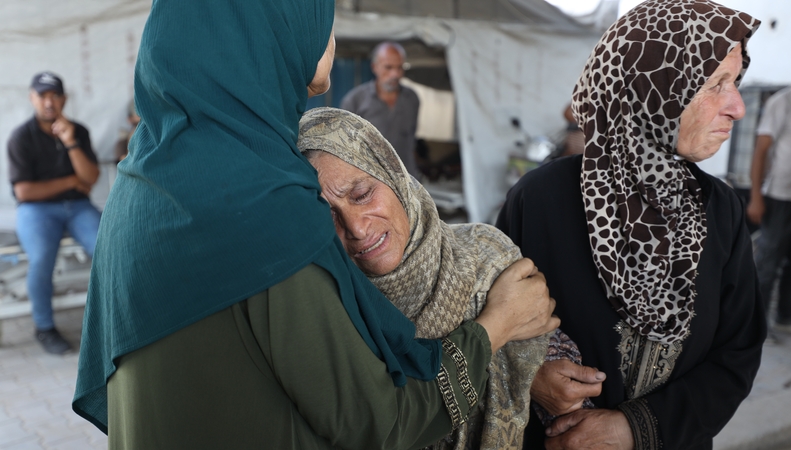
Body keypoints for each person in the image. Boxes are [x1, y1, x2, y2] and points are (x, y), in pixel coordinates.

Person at [72, 1, 557, 448]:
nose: (327, 33)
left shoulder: (139, 187)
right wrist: (496, 327)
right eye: (317, 14)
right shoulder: (260, 202)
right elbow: (378, 421)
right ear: (271, 25)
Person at [496, 1, 767, 449]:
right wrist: (530, 375)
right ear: (653, 87)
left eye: (735, 82)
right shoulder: (541, 199)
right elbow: (492, 325)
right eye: (716, 84)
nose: (736, 107)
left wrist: (632, 428)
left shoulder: (721, 210)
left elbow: (737, 354)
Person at [299, 107, 573, 449]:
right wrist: (498, 328)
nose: (356, 227)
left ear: (393, 175)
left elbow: (554, 358)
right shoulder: (316, 304)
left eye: (362, 195)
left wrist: (534, 374)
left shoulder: (486, 255)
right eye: (328, 216)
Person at [6, 71, 101, 355]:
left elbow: (92, 177)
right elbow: (24, 192)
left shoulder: (79, 130)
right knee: (42, 259)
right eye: (43, 95)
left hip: (78, 207)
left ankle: (114, 319)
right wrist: (72, 181)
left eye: (55, 95)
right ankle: (44, 327)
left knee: (108, 249)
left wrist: (71, 142)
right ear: (32, 98)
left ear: (64, 98)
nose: (49, 102)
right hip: (37, 210)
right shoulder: (21, 137)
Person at [747, 84, 791, 333]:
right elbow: (761, 150)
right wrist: (756, 196)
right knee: (768, 262)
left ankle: (786, 316)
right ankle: (753, 324)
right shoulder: (784, 101)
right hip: (780, 197)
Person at [340, 41, 422, 179]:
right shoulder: (355, 100)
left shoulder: (412, 99)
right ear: (374, 67)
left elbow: (410, 140)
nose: (395, 74)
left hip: (406, 178)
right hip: (369, 178)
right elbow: (344, 146)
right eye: (388, 67)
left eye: (400, 67)